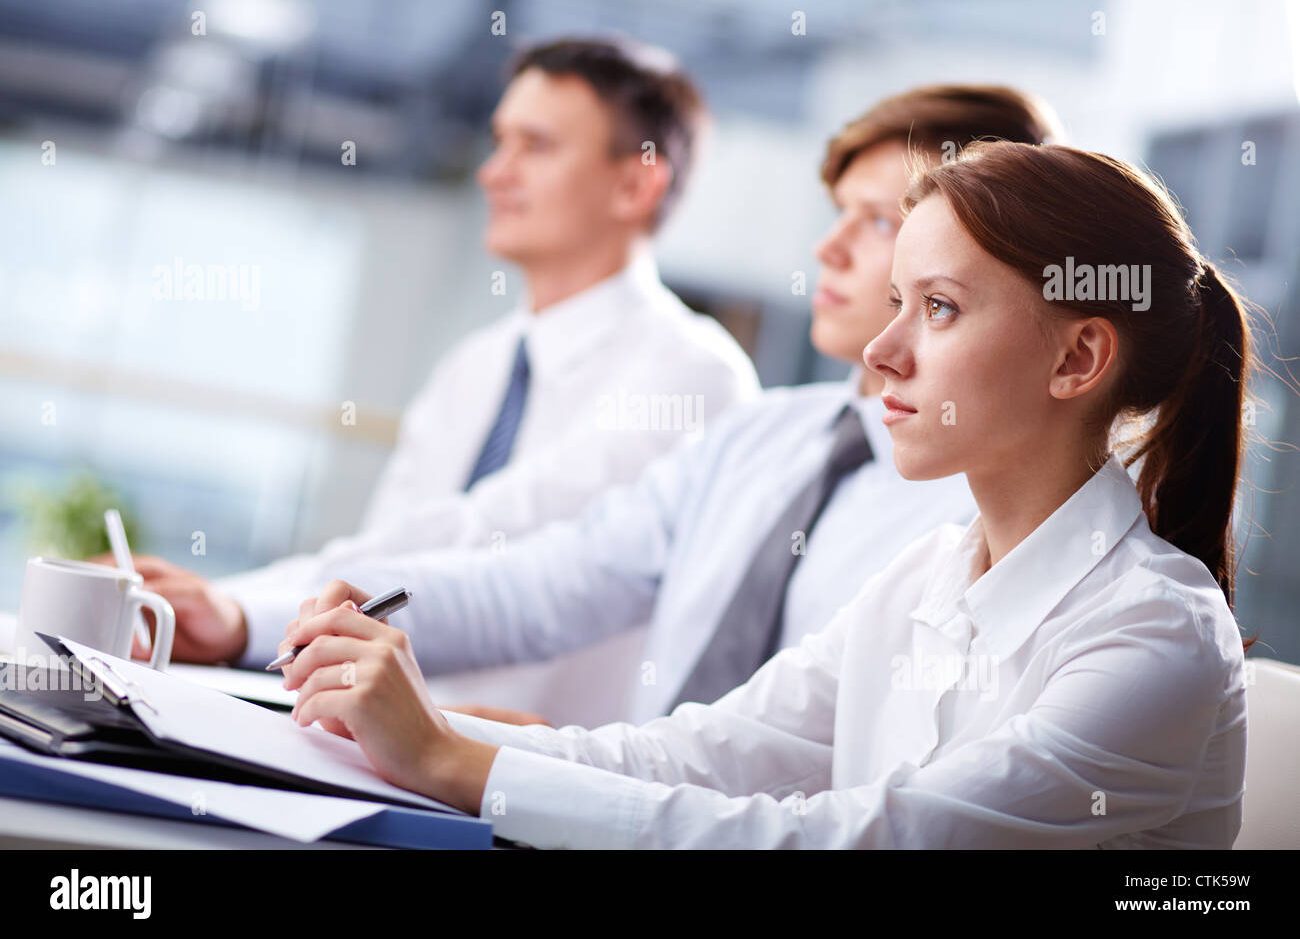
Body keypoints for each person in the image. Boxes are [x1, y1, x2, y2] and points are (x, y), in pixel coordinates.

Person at [279, 139, 1261, 848]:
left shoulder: (1154, 634)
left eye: (939, 308)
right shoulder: (926, 573)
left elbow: (859, 841)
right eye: (896, 303)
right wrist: (410, 725)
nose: (881, 352)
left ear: (1078, 357)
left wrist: (449, 760)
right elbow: (688, 758)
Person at [263, 86, 1063, 729]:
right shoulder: (761, 436)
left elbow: (847, 772)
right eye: (838, 214)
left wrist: (552, 761)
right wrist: (342, 604)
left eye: (881, 221)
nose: (830, 249)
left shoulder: (989, 513)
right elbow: (554, 580)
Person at [119, 37, 759, 667]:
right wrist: (225, 607)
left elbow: (488, 542)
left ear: (634, 184)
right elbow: (389, 548)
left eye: (535, 145)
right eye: (500, 142)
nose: (493, 172)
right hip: (372, 721)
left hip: (521, 738)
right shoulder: (476, 365)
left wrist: (238, 614)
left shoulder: (694, 374)